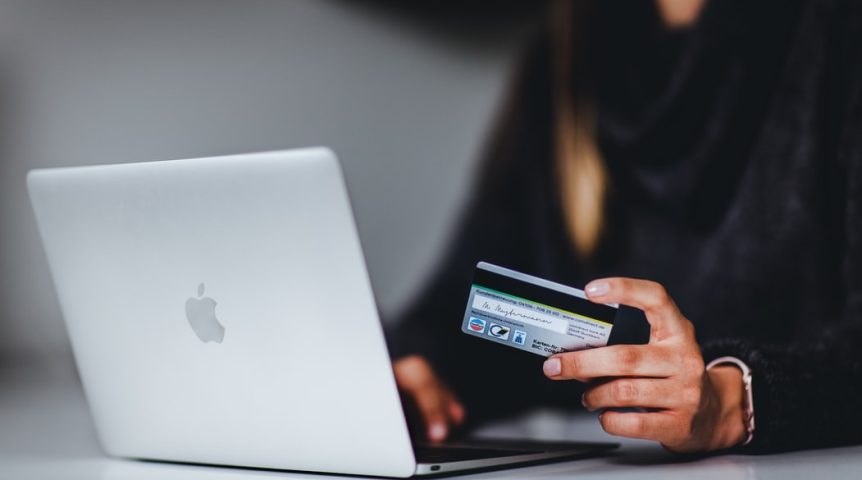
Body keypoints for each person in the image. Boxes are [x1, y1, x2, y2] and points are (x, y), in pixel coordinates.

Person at [388, 0, 862, 454]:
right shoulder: (562, 58)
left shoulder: (837, 30)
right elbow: (460, 305)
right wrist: (421, 373)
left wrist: (734, 401)